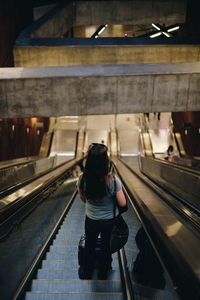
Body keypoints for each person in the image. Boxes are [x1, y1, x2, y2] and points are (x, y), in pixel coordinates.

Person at [77, 143, 127, 280]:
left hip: (91, 219)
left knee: (90, 245)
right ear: (106, 161)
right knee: (106, 246)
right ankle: (103, 272)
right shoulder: (113, 180)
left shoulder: (82, 178)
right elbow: (122, 203)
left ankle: (86, 272)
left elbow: (83, 198)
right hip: (109, 221)